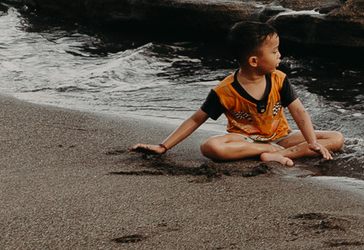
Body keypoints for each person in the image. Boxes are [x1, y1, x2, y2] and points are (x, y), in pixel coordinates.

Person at [132, 19, 343, 168]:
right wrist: (163, 146)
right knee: (210, 147)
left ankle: (281, 154)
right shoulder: (225, 91)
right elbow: (196, 119)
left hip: (281, 138)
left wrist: (312, 141)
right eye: (274, 51)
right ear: (254, 61)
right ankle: (267, 151)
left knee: (336, 138)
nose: (279, 55)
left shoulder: (279, 79)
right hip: (245, 141)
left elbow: (299, 111)